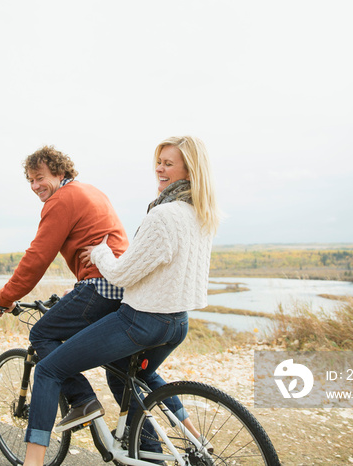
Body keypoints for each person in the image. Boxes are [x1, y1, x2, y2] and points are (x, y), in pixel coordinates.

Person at [22, 135, 220, 466]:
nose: (159, 168)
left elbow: (121, 276)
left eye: (168, 163)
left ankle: (33, 461)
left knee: (48, 370)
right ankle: (165, 450)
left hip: (141, 323)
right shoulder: (201, 215)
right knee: (125, 375)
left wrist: (99, 253)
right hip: (177, 323)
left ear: (189, 169)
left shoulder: (164, 215)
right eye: (158, 162)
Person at [0, 145, 129, 429]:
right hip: (123, 287)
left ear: (59, 171)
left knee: (42, 333)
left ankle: (83, 401)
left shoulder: (61, 200)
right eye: (30, 180)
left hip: (100, 286)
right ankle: (146, 444)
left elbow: (37, 258)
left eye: (40, 177)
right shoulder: (90, 191)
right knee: (122, 372)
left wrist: (5, 298)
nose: (35, 185)